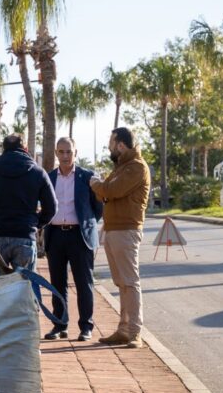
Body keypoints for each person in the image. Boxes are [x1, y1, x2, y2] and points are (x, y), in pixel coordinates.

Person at [90, 127, 151, 348]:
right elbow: (105, 192)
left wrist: (97, 184)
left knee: (130, 282)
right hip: (114, 229)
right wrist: (103, 188)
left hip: (127, 230)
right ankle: (123, 329)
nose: (109, 147)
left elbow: (109, 191)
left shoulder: (136, 167)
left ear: (121, 145)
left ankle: (135, 332)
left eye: (111, 143)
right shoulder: (121, 168)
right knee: (121, 283)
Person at [43, 137, 104, 341]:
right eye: (61, 152)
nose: (65, 156)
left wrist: (87, 223)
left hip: (80, 236)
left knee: (83, 283)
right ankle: (60, 325)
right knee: (57, 283)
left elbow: (98, 209)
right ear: (56, 153)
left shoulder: (88, 177)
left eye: (69, 151)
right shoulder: (49, 177)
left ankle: (86, 326)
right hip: (56, 235)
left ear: (76, 152)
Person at [0, 134, 56, 278]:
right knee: (23, 291)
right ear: (25, 148)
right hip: (25, 236)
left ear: (3, 149)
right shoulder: (37, 172)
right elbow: (52, 208)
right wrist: (35, 223)